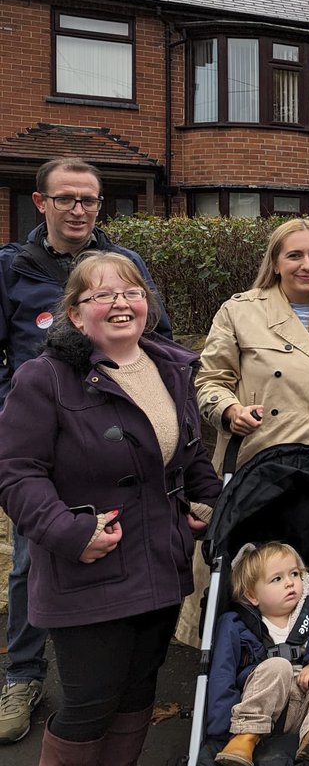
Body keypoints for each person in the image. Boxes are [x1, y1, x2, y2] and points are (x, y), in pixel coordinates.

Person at [0, 251, 220, 765]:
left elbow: (188, 456)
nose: (121, 303)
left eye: (132, 292)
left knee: (137, 695)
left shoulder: (171, 368)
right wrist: (70, 533)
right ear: (75, 313)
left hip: (160, 561)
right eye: (103, 295)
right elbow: (15, 472)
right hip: (88, 568)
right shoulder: (46, 377)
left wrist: (210, 501)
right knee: (89, 707)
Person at [0, 157, 171, 746]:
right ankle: (22, 676)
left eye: (90, 201)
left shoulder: (125, 265)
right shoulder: (13, 268)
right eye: (67, 199)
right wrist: (22, 410)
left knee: (127, 556)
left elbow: (159, 343)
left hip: (117, 440)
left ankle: (114, 682)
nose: (79, 210)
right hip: (47, 441)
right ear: (40, 202)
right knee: (34, 558)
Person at [197, 218, 309, 470]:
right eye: (294, 255)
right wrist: (231, 411)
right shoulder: (239, 312)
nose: (307, 265)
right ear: (275, 264)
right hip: (255, 464)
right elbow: (211, 381)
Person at [207, 542, 309, 765]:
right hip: (265, 711)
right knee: (277, 665)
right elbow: (222, 671)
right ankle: (245, 737)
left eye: (294, 574)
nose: (289, 583)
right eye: (277, 579)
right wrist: (220, 726)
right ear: (252, 595)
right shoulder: (237, 624)